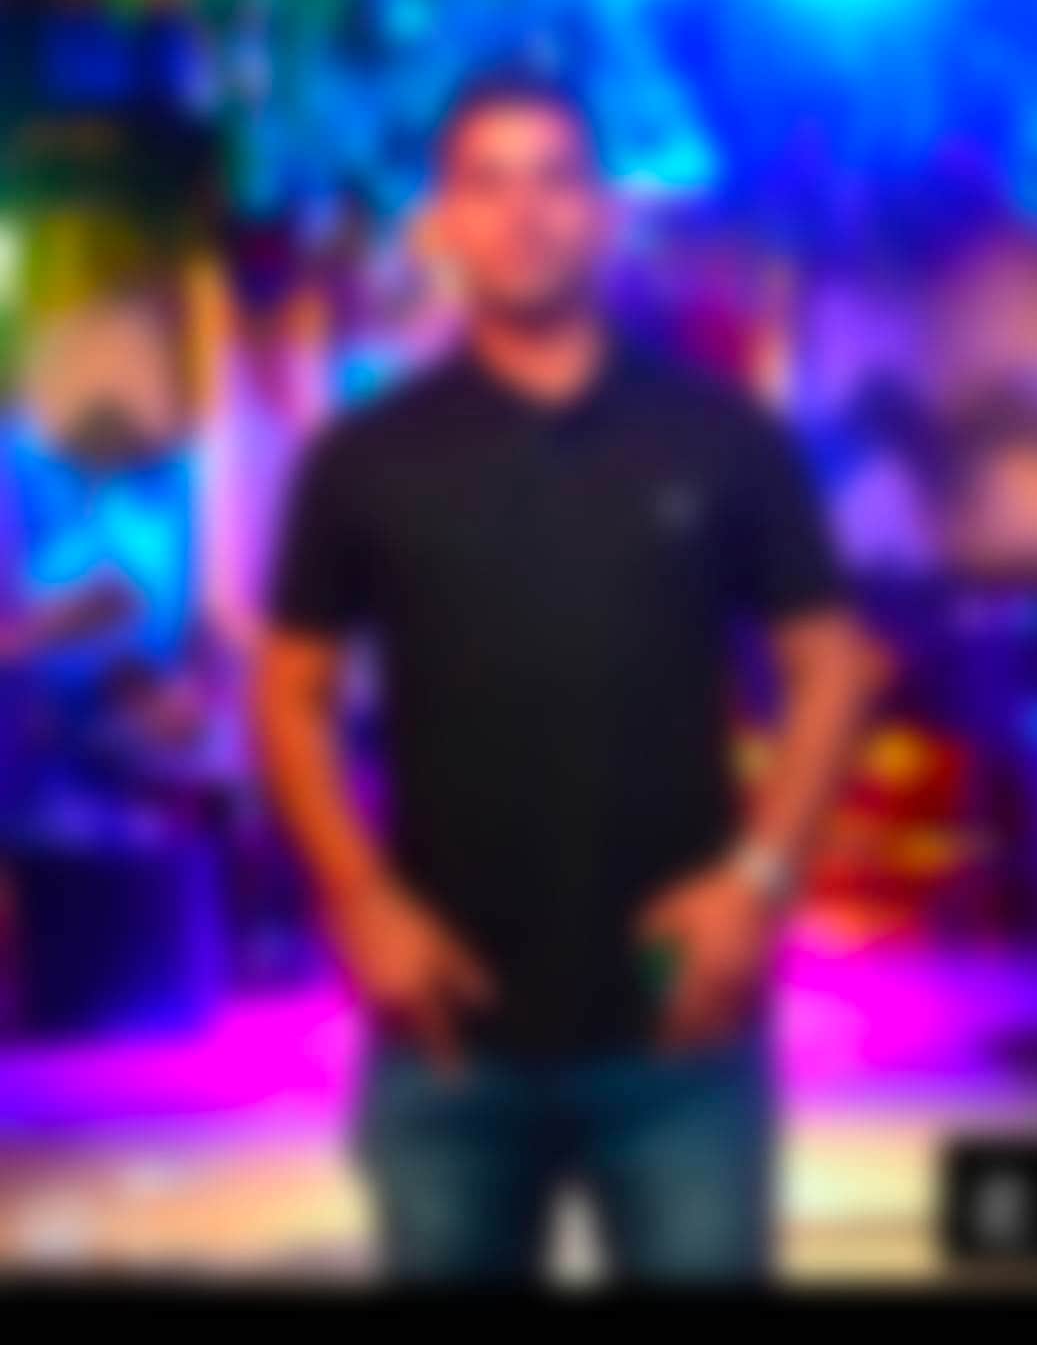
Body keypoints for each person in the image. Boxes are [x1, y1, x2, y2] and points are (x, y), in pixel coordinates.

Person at [255, 72, 864, 1283]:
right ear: (443, 220)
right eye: (487, 183)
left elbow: (833, 667)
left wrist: (758, 881)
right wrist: (360, 899)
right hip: (446, 1030)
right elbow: (286, 690)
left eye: (555, 179)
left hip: (681, 1027)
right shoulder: (365, 458)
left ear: (602, 212)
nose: (523, 213)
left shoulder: (721, 432)